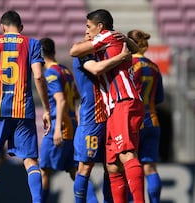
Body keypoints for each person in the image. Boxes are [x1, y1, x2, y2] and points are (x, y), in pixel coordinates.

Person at [70, 9, 146, 203]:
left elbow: (74, 51)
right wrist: (126, 47)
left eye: (88, 27)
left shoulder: (106, 37)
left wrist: (122, 51)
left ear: (99, 27)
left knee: (125, 153)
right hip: (111, 108)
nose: (86, 32)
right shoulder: (108, 43)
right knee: (112, 165)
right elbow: (135, 50)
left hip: (122, 102)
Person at [0, 10, 51, 203]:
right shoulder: (32, 44)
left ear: (2, 27)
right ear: (21, 28)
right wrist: (47, 110)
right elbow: (39, 76)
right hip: (23, 108)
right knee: (31, 161)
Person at [72, 34, 132, 203]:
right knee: (85, 167)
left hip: (110, 116)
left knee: (112, 167)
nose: (88, 34)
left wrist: (127, 41)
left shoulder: (102, 53)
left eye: (89, 30)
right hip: (92, 118)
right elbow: (96, 69)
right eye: (86, 31)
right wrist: (121, 57)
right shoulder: (84, 54)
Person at [38, 37, 98, 203]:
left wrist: (57, 129)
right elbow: (76, 95)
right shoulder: (65, 71)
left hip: (60, 126)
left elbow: (61, 100)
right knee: (75, 170)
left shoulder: (50, 74)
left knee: (44, 171)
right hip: (72, 126)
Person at [128, 29, 164, 203]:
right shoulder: (154, 67)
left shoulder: (128, 65)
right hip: (153, 120)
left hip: (134, 121)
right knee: (150, 167)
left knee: (130, 165)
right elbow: (159, 98)